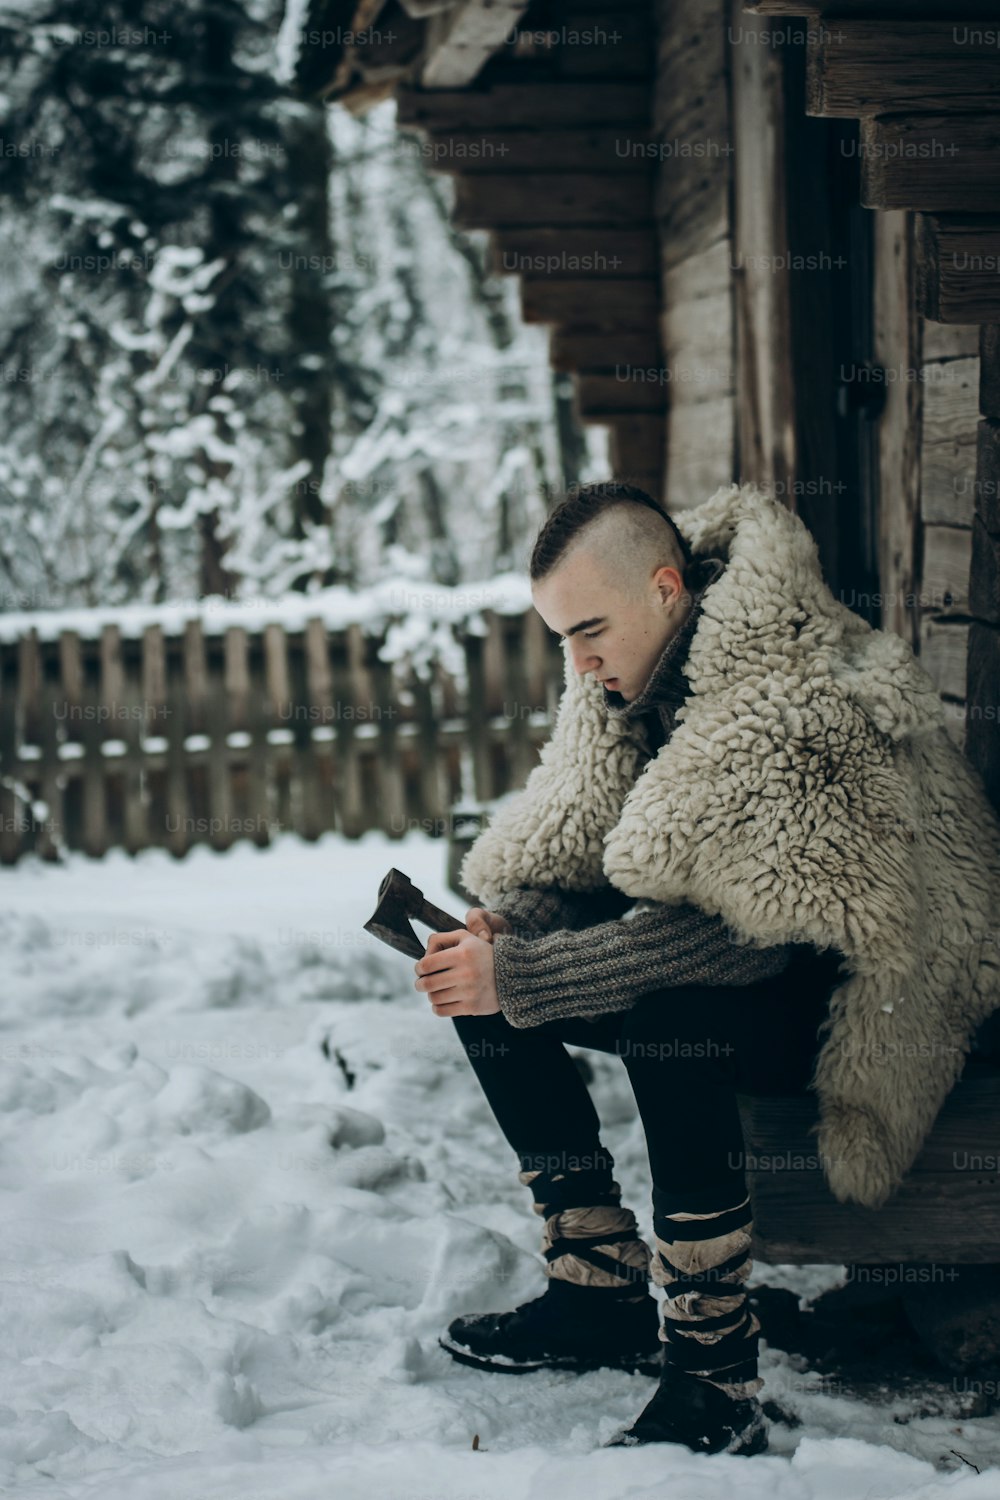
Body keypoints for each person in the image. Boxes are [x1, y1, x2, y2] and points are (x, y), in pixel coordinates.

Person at [411, 480, 1000, 1458]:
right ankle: (596, 1287)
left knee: (661, 1014)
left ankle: (713, 1371)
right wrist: (509, 933)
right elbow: (576, 851)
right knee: (481, 978)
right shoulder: (624, 689)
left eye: (589, 629)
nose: (578, 658)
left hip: (869, 999)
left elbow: (740, 938)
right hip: (746, 970)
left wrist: (527, 976)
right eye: (561, 636)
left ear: (667, 590)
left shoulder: (795, 699)